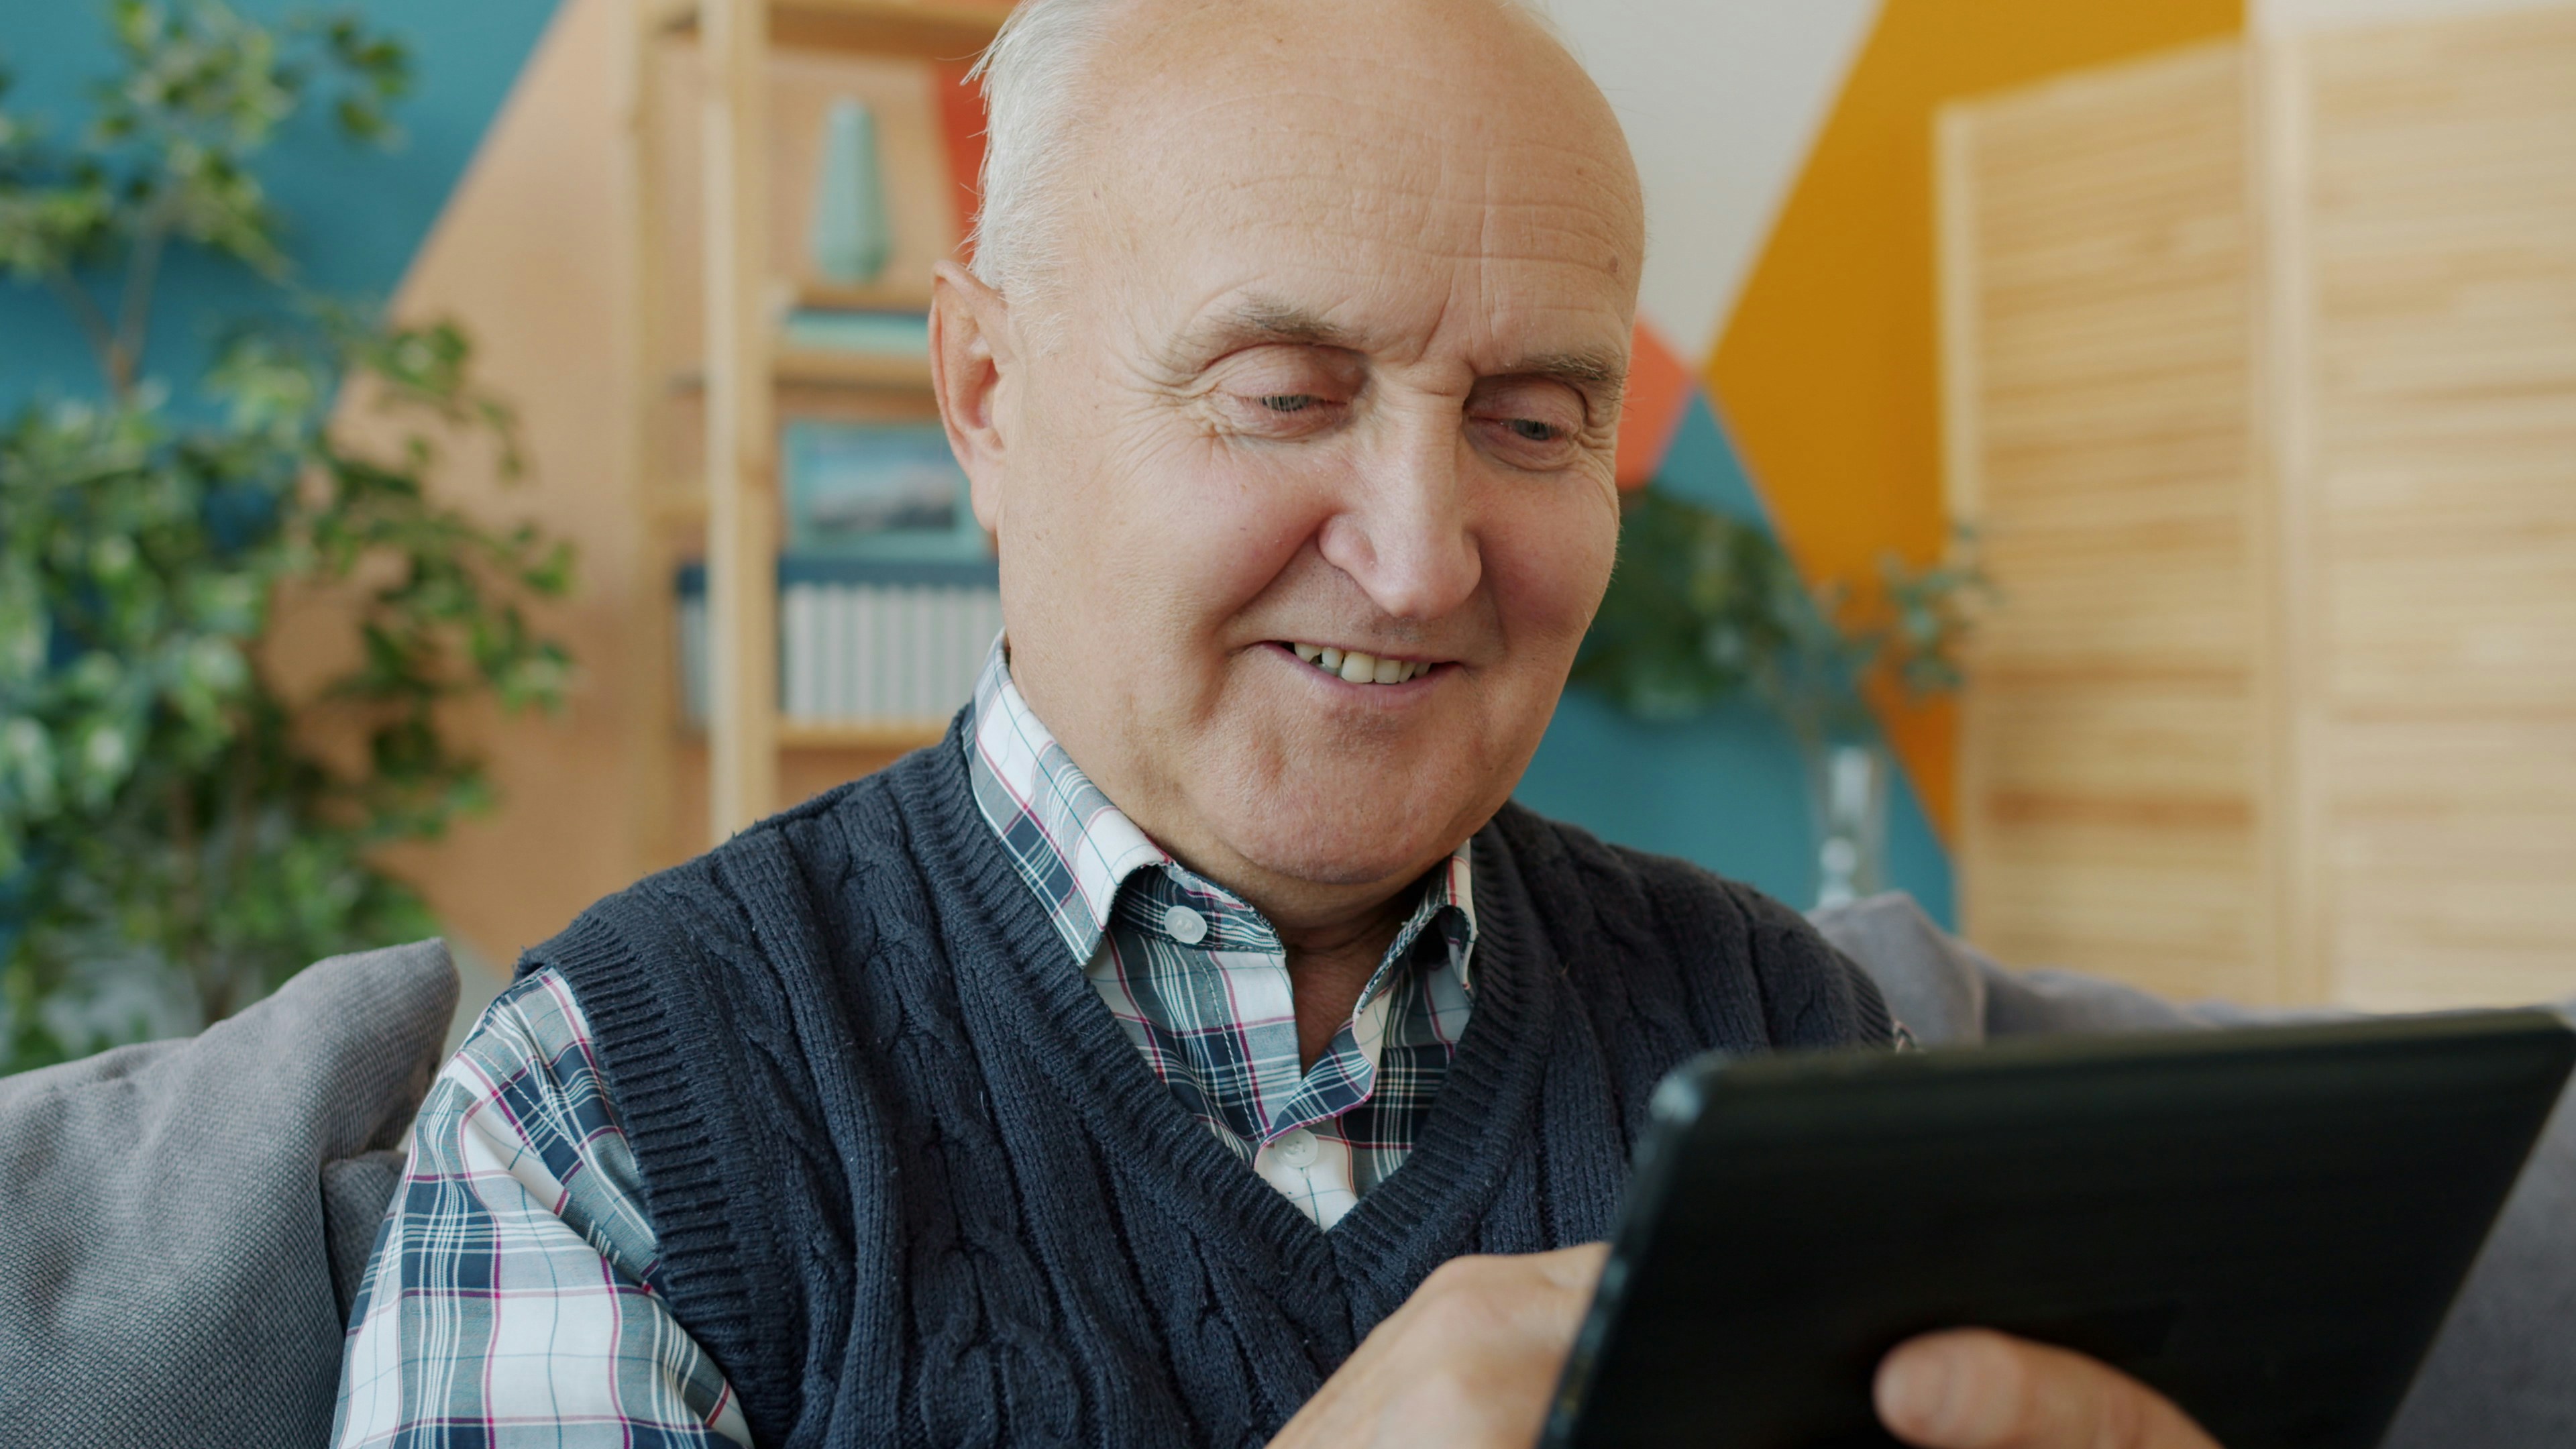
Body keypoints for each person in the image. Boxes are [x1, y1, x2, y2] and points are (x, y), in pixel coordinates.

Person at [331, 1, 2224, 1445]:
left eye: (1533, 422)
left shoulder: (1792, 1041)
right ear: (987, 391)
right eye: (1284, 394)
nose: (1418, 558)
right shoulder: (609, 1118)